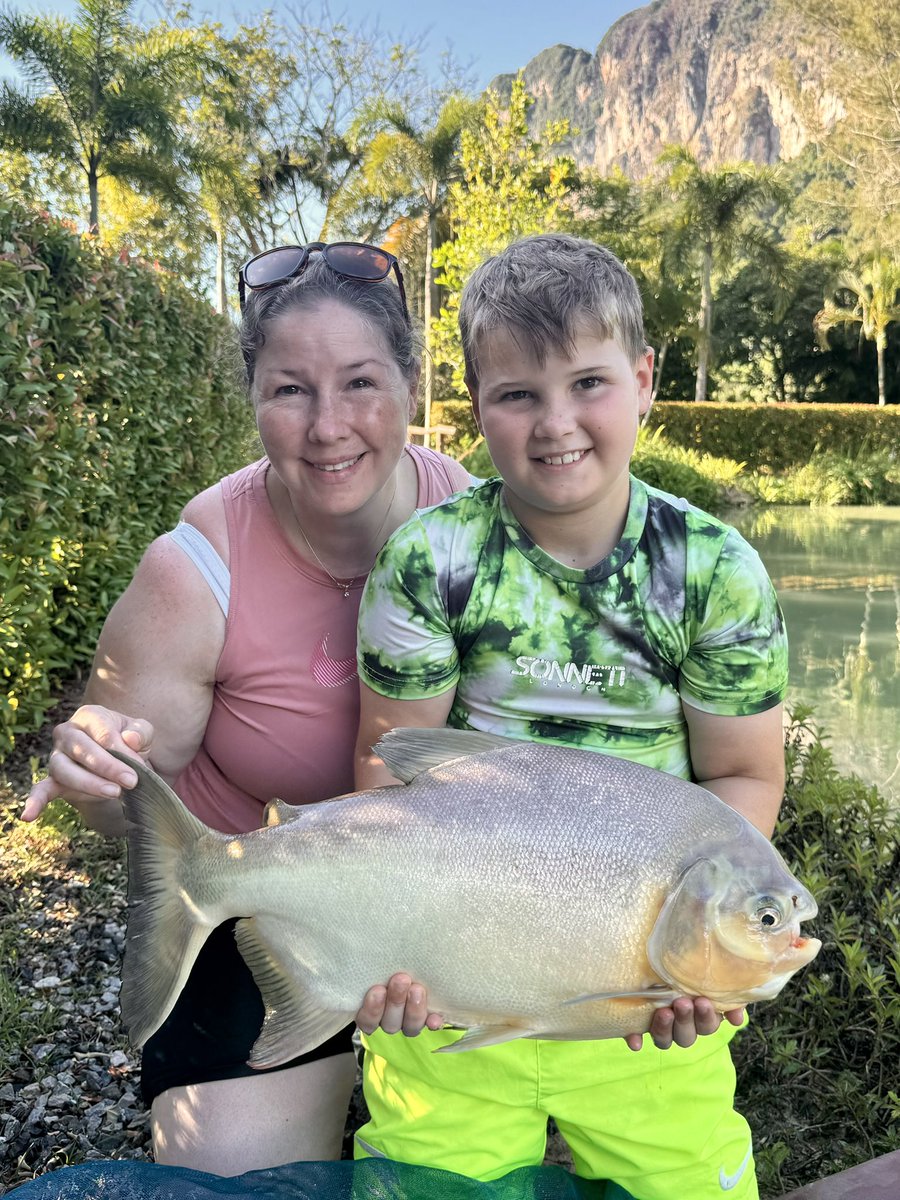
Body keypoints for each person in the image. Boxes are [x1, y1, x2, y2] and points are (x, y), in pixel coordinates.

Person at [352, 233, 788, 1199]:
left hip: (652, 1008)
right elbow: (389, 769)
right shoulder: (429, 563)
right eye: (518, 395)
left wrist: (703, 946)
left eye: (589, 382)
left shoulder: (715, 573)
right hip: (457, 994)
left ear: (642, 381)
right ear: (477, 410)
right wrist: (389, 945)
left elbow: (744, 774)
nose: (558, 423)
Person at [22, 242, 469, 1177]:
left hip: (444, 908)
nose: (328, 425)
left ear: (411, 385)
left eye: (360, 383)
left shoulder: (482, 525)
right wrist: (100, 769)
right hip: (254, 903)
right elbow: (132, 810)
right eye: (289, 390)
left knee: (498, 1158)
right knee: (236, 1187)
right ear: (253, 399)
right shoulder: (194, 572)